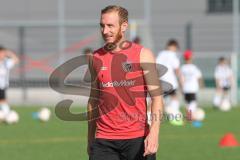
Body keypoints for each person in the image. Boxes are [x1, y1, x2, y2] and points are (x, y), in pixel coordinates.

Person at [87, 5, 163, 160]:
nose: (105, 31)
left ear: (124, 26)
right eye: (102, 26)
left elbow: (157, 98)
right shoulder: (94, 58)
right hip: (103, 141)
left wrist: (154, 134)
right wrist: (90, 138)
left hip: (137, 139)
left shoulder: (143, 55)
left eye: (110, 26)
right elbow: (93, 101)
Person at [155, 39, 182, 126]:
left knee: (159, 100)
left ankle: (158, 117)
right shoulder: (173, 55)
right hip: (171, 81)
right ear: (173, 46)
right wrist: (181, 80)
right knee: (174, 97)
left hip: (160, 81)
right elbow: (177, 69)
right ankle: (174, 116)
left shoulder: (161, 54)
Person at [0, 46, 19, 116]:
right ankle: (6, 114)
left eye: (4, 53)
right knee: (2, 101)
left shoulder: (6, 62)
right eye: (1, 53)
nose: (3, 54)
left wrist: (10, 53)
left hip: (2, 85)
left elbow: (16, 60)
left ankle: (6, 114)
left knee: (3, 101)